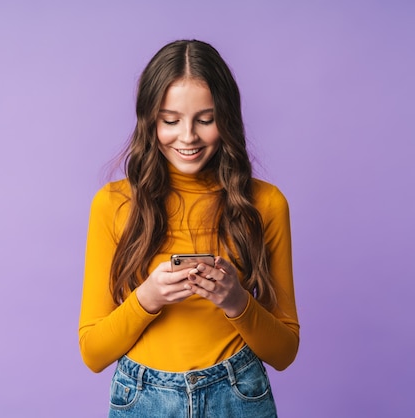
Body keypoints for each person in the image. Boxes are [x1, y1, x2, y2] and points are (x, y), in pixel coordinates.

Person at [78, 39, 299, 418]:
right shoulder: (113, 204)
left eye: (205, 119)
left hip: (238, 395)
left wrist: (236, 302)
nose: (188, 137)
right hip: (143, 398)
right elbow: (93, 354)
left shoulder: (265, 204)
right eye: (170, 120)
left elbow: (284, 352)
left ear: (226, 118)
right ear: (150, 120)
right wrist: (148, 298)